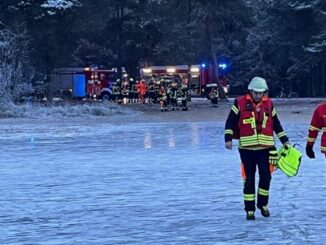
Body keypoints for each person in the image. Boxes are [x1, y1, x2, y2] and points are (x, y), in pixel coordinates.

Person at [224, 77, 289, 220]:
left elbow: (276, 123)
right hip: (246, 149)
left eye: (261, 93)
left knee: (266, 177)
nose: (258, 95)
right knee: (249, 178)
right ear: (250, 91)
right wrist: (228, 139)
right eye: (256, 93)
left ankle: (263, 205)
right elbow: (230, 121)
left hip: (266, 148)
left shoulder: (269, 104)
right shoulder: (239, 103)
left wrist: (284, 140)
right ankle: (249, 209)